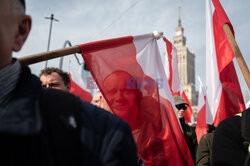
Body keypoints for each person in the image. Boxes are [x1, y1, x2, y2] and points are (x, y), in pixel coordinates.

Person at [0, 0, 138, 165]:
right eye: (44, 86)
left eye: (53, 85)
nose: (48, 89)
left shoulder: (103, 135)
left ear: (20, 32)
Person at [173, 95, 197, 163]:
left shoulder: (190, 130)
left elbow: (194, 151)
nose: (182, 110)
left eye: (184, 107)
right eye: (179, 107)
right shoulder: (165, 128)